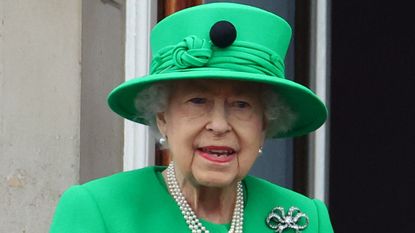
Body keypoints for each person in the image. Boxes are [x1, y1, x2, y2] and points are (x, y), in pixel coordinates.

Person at [50, 3, 333, 233]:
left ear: (264, 126)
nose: (220, 125)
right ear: (162, 118)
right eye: (198, 101)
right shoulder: (98, 209)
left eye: (241, 105)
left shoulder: (305, 219)